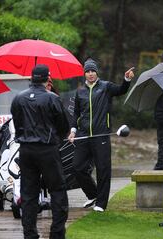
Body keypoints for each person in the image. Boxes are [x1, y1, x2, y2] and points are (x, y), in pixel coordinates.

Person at [11, 64, 70, 239]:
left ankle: (29, 234)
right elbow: (63, 126)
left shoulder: (18, 98)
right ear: (47, 78)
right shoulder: (52, 98)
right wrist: (56, 138)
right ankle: (57, 233)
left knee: (29, 194)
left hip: (26, 149)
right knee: (58, 190)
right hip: (47, 149)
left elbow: (17, 122)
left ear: (32, 78)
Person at [68, 58, 134, 212]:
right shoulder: (80, 91)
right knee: (77, 167)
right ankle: (93, 194)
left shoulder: (106, 87)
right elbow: (76, 113)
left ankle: (101, 204)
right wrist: (73, 131)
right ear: (84, 73)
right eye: (88, 71)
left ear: (96, 72)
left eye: (93, 71)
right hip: (83, 136)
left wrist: (127, 80)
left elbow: (121, 90)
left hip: (101, 136)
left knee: (103, 170)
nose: (90, 74)